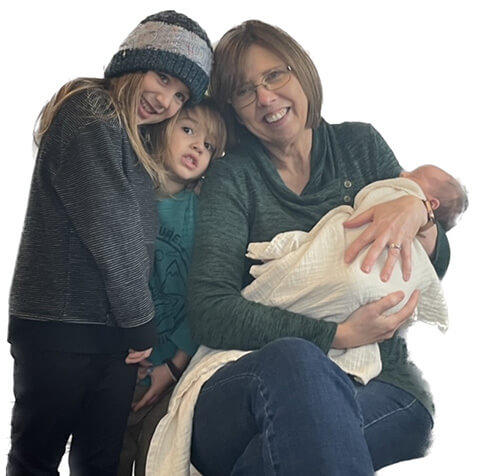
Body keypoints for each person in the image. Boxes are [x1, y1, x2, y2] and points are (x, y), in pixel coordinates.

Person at [146, 20, 452, 476]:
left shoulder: (360, 146)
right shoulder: (233, 178)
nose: (266, 98)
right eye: (246, 91)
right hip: (245, 382)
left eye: (275, 75)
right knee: (298, 361)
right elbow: (211, 308)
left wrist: (419, 213)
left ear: (302, 72)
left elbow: (427, 267)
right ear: (233, 109)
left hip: (382, 385)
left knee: (282, 450)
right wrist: (336, 336)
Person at [7, 10, 213, 476]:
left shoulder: (134, 141)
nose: (166, 100)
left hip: (114, 337)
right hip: (61, 329)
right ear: (132, 60)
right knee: (36, 460)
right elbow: (113, 234)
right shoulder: (90, 111)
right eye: (162, 78)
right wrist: (143, 329)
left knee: (100, 465)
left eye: (181, 95)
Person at [242, 165, 468, 384]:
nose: (403, 172)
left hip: (369, 309)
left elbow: (435, 261)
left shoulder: (395, 186)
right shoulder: (237, 174)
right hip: (304, 350)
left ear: (432, 203)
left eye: (415, 174)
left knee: (353, 284)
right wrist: (342, 334)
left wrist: (419, 210)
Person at [117, 98, 227, 476]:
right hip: (116, 367)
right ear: (161, 129)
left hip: (171, 375)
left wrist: (173, 367)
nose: (198, 145)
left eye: (209, 144)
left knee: (158, 462)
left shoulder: (202, 214)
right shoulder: (126, 195)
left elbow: (206, 298)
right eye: (188, 130)